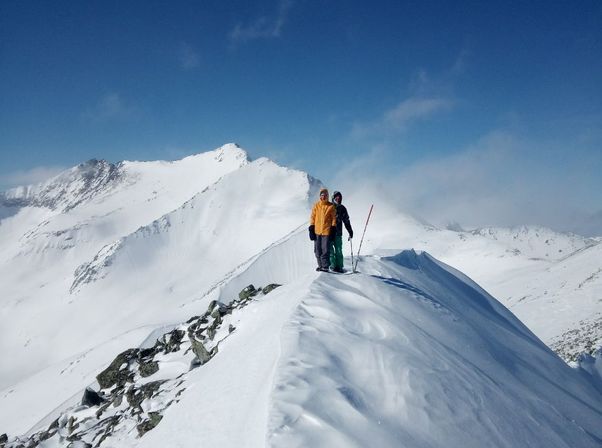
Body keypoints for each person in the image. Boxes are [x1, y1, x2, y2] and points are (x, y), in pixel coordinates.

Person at [309, 188, 337, 272]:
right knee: (317, 250)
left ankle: (325, 267)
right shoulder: (316, 205)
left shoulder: (331, 206)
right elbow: (313, 217)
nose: (323, 196)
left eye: (325, 195)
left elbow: (334, 218)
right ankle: (320, 265)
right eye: (322, 195)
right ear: (320, 196)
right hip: (317, 231)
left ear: (327, 196)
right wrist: (311, 228)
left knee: (325, 250)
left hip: (326, 231)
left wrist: (333, 228)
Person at [329, 191, 353, 273]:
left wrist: (350, 231)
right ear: (333, 198)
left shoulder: (342, 208)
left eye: (339, 197)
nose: (338, 199)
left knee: (338, 250)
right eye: (336, 197)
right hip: (329, 233)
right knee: (330, 250)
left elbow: (346, 221)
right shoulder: (329, 207)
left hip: (338, 233)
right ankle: (332, 266)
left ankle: (339, 267)